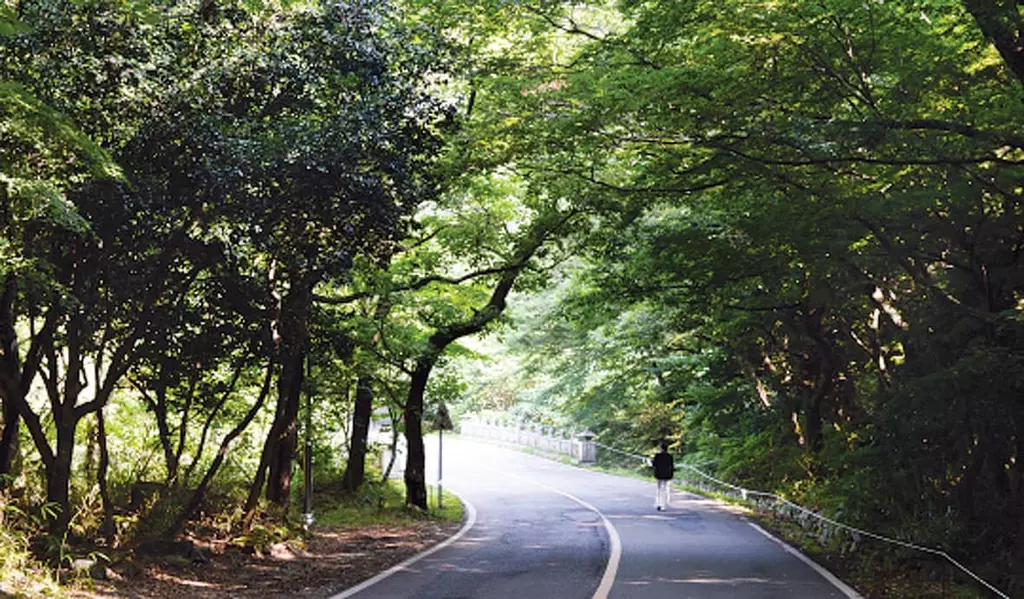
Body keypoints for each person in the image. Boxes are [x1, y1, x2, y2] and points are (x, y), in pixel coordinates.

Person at [651, 440, 674, 511]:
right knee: (665, 489)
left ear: (661, 448)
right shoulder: (670, 456)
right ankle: (663, 505)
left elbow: (654, 464)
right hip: (667, 475)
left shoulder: (657, 456)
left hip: (659, 475)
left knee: (659, 489)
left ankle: (659, 504)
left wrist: (650, 461)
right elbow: (672, 466)